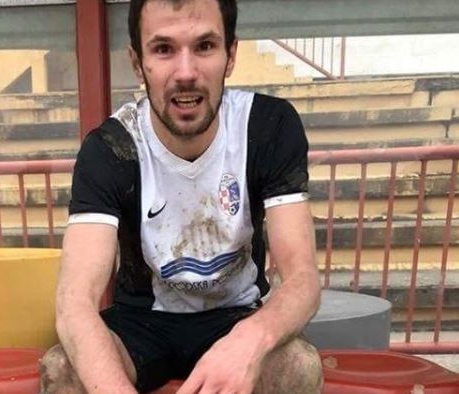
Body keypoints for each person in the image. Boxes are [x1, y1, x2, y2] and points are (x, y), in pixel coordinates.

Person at [40, 0, 322, 392]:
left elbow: (302, 278)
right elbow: (74, 301)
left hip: (235, 315)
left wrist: (248, 342)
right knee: (62, 369)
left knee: (296, 367)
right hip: (143, 319)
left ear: (231, 55)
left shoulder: (269, 127)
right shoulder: (110, 148)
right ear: (138, 63)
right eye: (163, 49)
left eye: (205, 46)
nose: (186, 73)